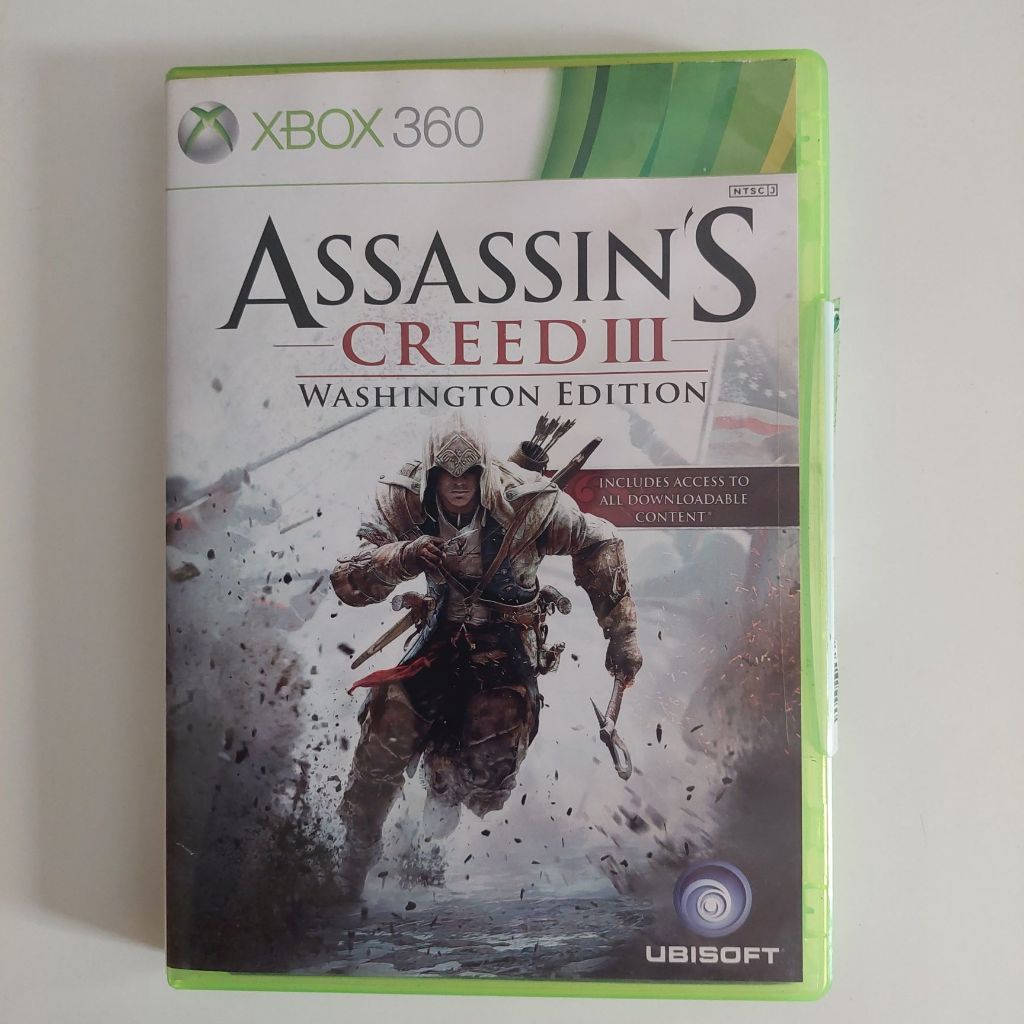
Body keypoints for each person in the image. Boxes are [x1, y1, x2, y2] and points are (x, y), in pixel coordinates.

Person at [329, 414, 642, 898]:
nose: (458, 484)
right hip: (438, 636)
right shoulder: (403, 497)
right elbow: (349, 581)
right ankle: (354, 859)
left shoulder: (530, 502)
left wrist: (622, 635)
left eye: (469, 473)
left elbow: (599, 540)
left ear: (484, 471)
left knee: (487, 767)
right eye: (447, 474)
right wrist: (403, 556)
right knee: (385, 733)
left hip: (506, 644)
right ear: (431, 473)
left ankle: (433, 825)